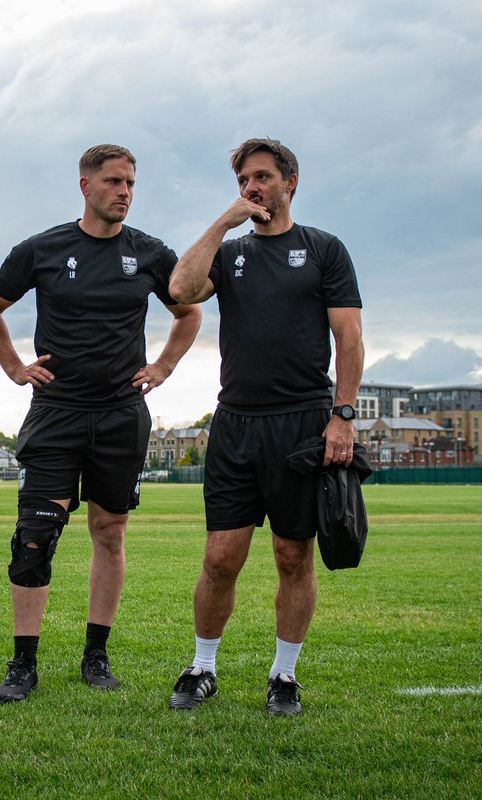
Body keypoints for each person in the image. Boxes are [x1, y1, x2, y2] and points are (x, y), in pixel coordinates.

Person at [0, 144, 201, 703]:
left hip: (122, 415)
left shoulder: (149, 254)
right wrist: (13, 367)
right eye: (114, 182)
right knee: (34, 537)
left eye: (130, 183)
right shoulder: (43, 249)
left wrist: (165, 366)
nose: (124, 192)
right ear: (85, 185)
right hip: (56, 413)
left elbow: (190, 309)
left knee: (109, 532)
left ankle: (96, 654)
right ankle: (23, 664)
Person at [165, 138, 363, 716]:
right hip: (236, 424)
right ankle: (202, 667)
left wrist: (342, 415)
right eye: (245, 180)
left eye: (263, 177)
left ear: (289, 182)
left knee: (292, 555)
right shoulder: (230, 253)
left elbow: (347, 337)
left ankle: (284, 675)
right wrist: (224, 222)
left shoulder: (324, 249)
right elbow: (180, 290)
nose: (253, 187)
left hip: (303, 423)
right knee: (221, 557)